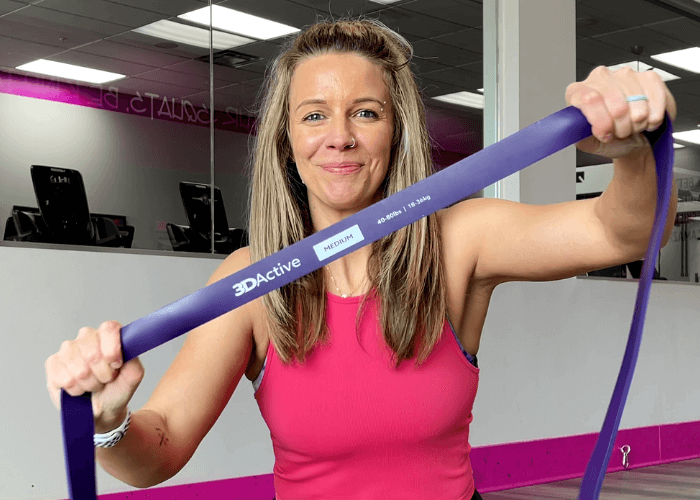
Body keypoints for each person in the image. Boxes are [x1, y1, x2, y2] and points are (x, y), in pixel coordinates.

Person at [45, 18, 678, 500]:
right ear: (287, 143)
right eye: (314, 115)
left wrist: (632, 149)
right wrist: (108, 422)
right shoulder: (250, 283)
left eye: (365, 113)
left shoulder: (459, 241)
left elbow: (621, 232)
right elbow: (159, 450)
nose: (339, 136)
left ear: (395, 132)